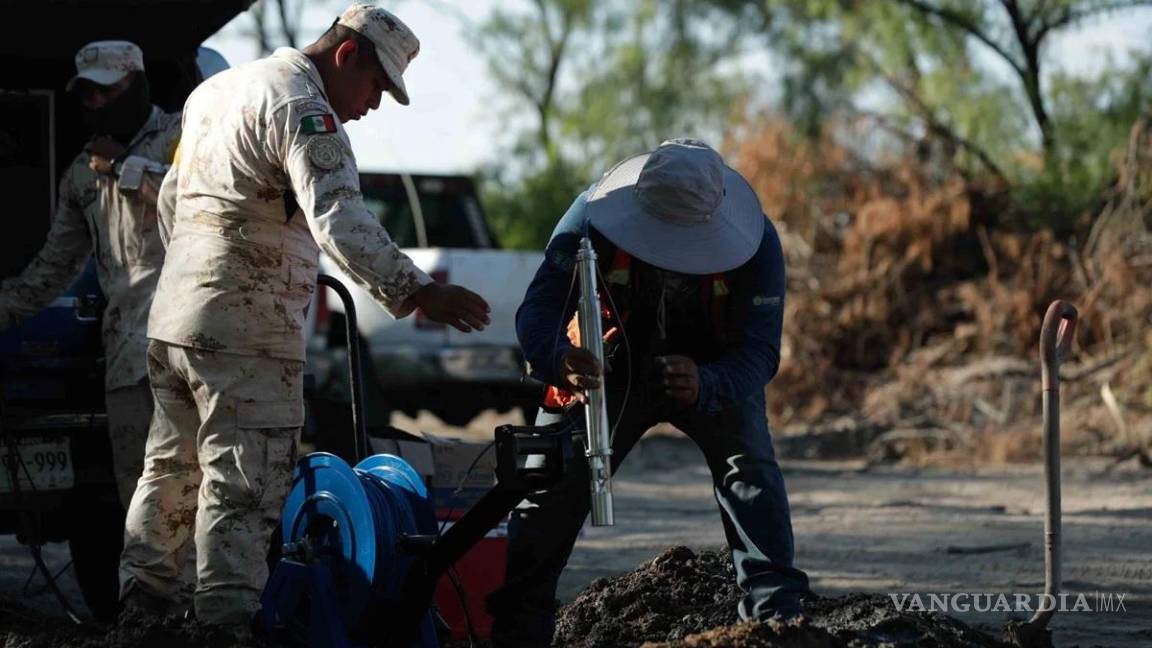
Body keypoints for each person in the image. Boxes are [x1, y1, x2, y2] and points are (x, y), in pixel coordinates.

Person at [118, 3, 491, 626]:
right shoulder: (303, 107)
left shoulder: (214, 92)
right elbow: (339, 217)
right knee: (244, 485)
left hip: (176, 322)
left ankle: (144, 611)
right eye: (375, 85)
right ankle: (225, 625)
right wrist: (420, 290)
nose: (372, 105)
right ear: (346, 55)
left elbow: (171, 204)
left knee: (169, 472)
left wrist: (198, 271)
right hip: (248, 333)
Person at [487, 138, 811, 646]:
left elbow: (760, 352)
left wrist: (709, 383)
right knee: (550, 483)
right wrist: (559, 360)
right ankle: (519, 632)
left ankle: (777, 622)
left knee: (749, 470)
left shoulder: (757, 242)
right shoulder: (590, 216)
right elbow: (540, 309)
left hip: (712, 368)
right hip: (605, 367)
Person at [0, 40, 180, 508]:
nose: (97, 102)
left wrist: (123, 168)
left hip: (191, 350)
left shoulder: (186, 134)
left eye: (108, 90)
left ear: (137, 83)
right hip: (128, 361)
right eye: (88, 94)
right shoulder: (83, 173)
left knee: (203, 493)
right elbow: (53, 267)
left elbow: (204, 201)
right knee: (142, 501)